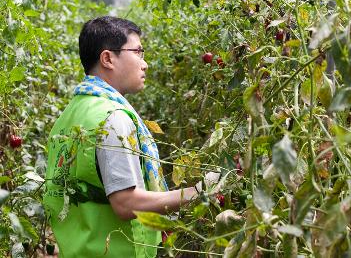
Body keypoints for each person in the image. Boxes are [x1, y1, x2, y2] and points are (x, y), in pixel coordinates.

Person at [43, 16, 219, 258]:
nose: (144, 64)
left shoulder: (70, 115)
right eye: (138, 52)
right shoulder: (113, 118)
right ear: (108, 58)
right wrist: (195, 192)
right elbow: (126, 203)